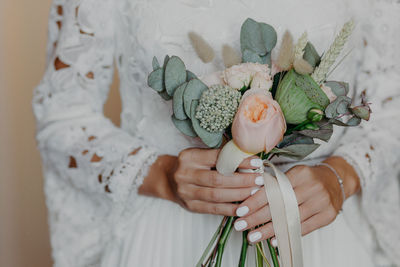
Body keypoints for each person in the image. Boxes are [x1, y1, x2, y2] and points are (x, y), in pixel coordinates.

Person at [33, 0, 400, 266]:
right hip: (169, 239)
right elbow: (62, 115)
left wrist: (343, 175)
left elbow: (389, 112)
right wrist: (160, 174)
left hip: (317, 236)